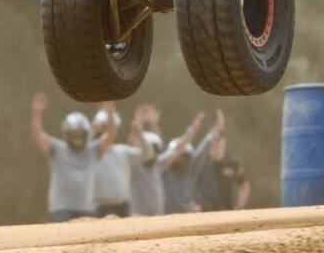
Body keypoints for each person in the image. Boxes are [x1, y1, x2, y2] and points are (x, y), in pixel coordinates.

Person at [30, 92, 117, 222]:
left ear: (86, 134)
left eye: (80, 133)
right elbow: (38, 136)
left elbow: (110, 135)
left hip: (87, 209)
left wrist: (110, 113)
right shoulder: (57, 149)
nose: (77, 137)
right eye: (73, 134)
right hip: (61, 209)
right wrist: (37, 113)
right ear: (66, 134)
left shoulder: (92, 150)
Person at [130, 106, 205, 216]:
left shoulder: (159, 165)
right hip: (138, 219)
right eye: (149, 147)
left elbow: (179, 148)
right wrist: (137, 121)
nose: (152, 151)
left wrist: (194, 128)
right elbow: (133, 141)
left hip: (158, 218)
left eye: (155, 149)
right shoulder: (133, 165)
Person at [91, 105, 151, 217]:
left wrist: (141, 133)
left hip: (122, 207)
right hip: (96, 208)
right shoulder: (89, 152)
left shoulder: (122, 152)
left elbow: (147, 155)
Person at [163, 108, 224, 214]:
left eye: (185, 156)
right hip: (165, 217)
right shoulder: (164, 170)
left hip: (188, 216)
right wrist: (195, 127)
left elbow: (204, 147)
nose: (181, 158)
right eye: (179, 155)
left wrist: (216, 129)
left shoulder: (191, 170)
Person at [194, 134, 250, 212]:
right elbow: (191, 187)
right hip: (206, 213)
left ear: (224, 145)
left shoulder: (232, 165)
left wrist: (240, 205)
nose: (216, 148)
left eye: (219, 145)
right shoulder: (201, 166)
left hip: (228, 212)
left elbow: (244, 185)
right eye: (214, 145)